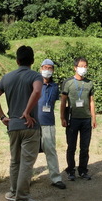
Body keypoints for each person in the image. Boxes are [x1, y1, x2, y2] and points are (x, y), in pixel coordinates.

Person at [0, 46, 43, 201]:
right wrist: (27, 111)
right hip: (29, 125)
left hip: (12, 125)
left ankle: (13, 192)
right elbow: (37, 91)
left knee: (15, 161)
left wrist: (2, 116)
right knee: (27, 163)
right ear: (32, 61)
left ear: (17, 60)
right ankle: (23, 199)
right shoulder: (35, 76)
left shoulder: (8, 77)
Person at [60, 57, 96, 181]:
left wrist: (94, 117)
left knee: (85, 147)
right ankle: (70, 170)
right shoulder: (68, 82)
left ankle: (83, 170)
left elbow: (91, 101)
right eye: (81, 66)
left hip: (86, 119)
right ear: (75, 67)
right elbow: (63, 101)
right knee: (71, 146)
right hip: (72, 119)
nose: (83, 68)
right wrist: (62, 118)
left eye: (85, 66)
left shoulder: (89, 83)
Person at [37, 59, 66, 189]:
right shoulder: (35, 83)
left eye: (50, 68)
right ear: (40, 68)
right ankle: (25, 178)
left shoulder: (55, 86)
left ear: (53, 70)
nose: (47, 70)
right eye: (45, 67)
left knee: (51, 151)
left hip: (48, 123)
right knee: (29, 152)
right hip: (34, 123)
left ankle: (56, 178)